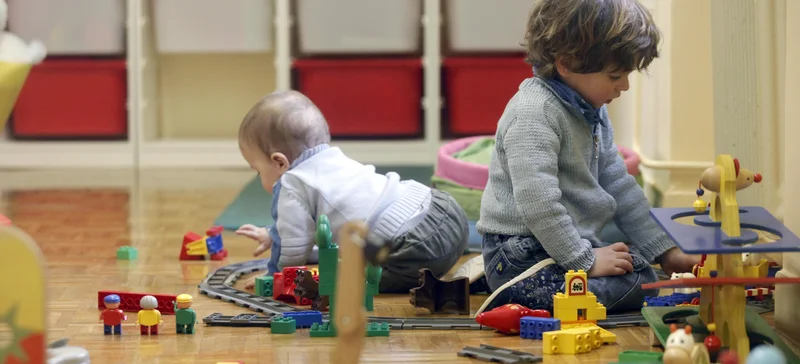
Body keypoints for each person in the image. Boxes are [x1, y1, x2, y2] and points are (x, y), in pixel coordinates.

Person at [475, 0, 699, 312]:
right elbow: (539, 206)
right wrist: (586, 260)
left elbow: (620, 186)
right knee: (638, 282)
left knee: (640, 270)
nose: (625, 86)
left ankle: (547, 283)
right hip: (520, 253)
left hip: (560, 244)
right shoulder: (533, 114)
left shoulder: (592, 109)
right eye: (615, 75)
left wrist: (665, 251)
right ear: (566, 63)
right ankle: (512, 291)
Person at [235, 90, 469, 293]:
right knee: (343, 254)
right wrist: (272, 234)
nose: (259, 178)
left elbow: (293, 250)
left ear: (279, 163)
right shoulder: (332, 158)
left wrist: (272, 278)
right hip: (443, 211)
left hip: (412, 248)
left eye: (257, 171)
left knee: (353, 277)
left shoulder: (291, 182)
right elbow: (308, 231)